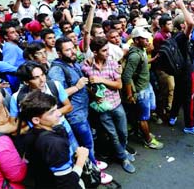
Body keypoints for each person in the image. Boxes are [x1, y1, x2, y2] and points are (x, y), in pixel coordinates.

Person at [82, 37, 136, 173]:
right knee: (112, 135)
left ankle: (121, 150)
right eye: (104, 50)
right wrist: (93, 94)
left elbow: (119, 85)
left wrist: (101, 79)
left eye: (108, 49)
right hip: (102, 109)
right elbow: (85, 86)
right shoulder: (86, 66)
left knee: (123, 133)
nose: (108, 52)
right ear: (95, 52)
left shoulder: (113, 64)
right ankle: (123, 158)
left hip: (116, 104)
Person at [19, 90, 88, 189]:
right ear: (36, 120)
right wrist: (81, 159)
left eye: (56, 109)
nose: (59, 114)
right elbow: (67, 185)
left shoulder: (29, 135)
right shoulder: (54, 144)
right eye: (51, 113)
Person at [122, 27, 164, 149]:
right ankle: (148, 140)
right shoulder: (134, 56)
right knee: (143, 117)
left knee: (150, 110)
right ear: (136, 40)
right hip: (141, 90)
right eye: (144, 39)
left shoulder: (142, 50)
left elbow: (143, 63)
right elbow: (126, 76)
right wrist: (130, 95)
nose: (147, 41)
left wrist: (153, 59)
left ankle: (140, 130)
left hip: (146, 85)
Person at [169, 0, 194, 135]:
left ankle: (172, 116)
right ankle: (189, 125)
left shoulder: (175, 36)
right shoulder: (182, 37)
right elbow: (191, 23)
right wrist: (182, 6)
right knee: (189, 98)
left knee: (178, 94)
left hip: (180, 71)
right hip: (187, 71)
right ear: (183, 25)